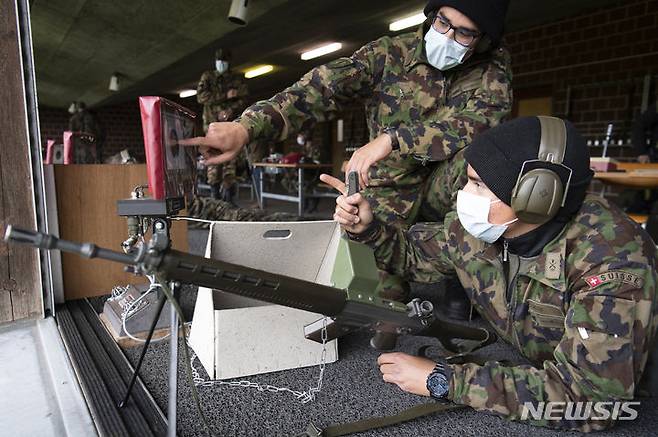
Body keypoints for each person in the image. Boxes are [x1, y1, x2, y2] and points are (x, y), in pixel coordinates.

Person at [324, 116, 658, 431]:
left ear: (536, 197)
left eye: (479, 184)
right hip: (540, 367)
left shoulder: (610, 262)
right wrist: (368, 229)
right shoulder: (485, 226)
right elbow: (413, 255)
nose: (466, 197)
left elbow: (593, 402)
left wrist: (445, 380)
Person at [183, 0, 513, 305]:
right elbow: (322, 87)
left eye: (464, 33)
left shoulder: (491, 68)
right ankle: (397, 278)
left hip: (446, 186)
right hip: (388, 187)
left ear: (483, 39)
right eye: (443, 22)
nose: (448, 36)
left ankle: (462, 283)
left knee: (486, 160)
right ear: (432, 14)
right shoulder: (391, 53)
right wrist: (247, 127)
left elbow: (480, 124)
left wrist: (392, 139)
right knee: (375, 292)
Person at [196, 48, 249, 203]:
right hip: (212, 126)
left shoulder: (236, 78)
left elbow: (243, 98)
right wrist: (225, 96)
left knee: (231, 160)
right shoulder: (208, 77)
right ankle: (215, 197)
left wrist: (230, 110)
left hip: (230, 126)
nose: (221, 64)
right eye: (219, 61)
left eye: (224, 62)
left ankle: (229, 197)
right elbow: (201, 97)